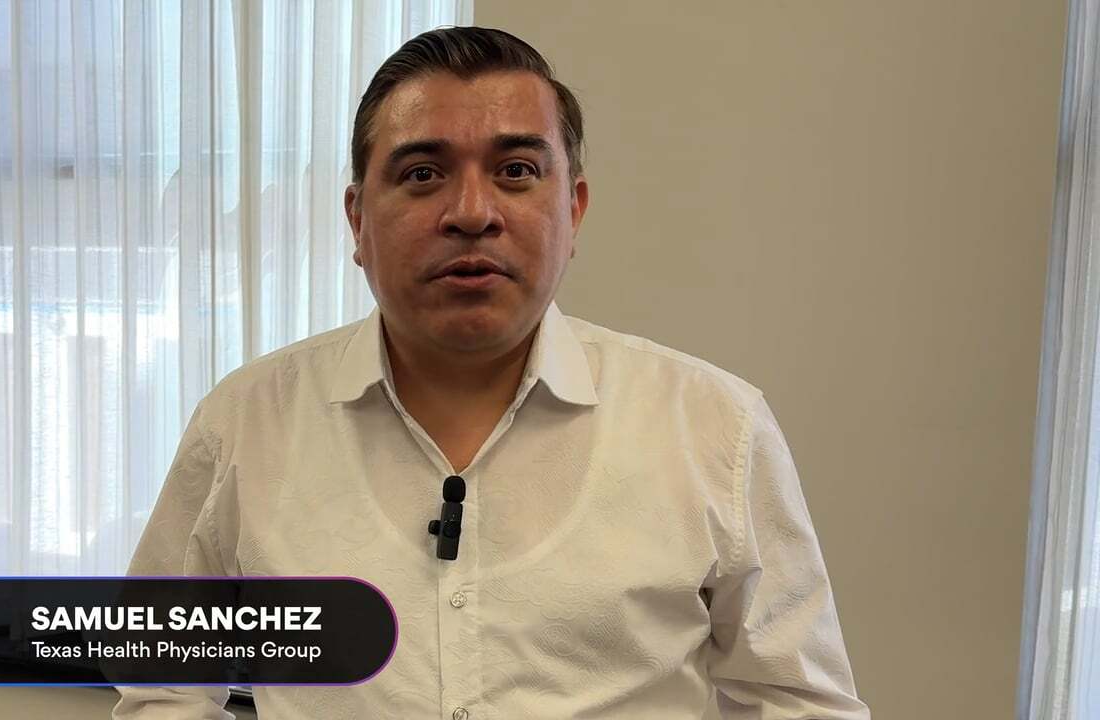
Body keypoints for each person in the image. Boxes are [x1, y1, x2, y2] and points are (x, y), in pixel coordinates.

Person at [114, 26, 871, 720]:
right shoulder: (245, 424)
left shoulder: (714, 427)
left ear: (573, 210)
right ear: (357, 219)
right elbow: (160, 685)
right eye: (422, 173)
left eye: (516, 171)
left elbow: (800, 703)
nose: (472, 212)